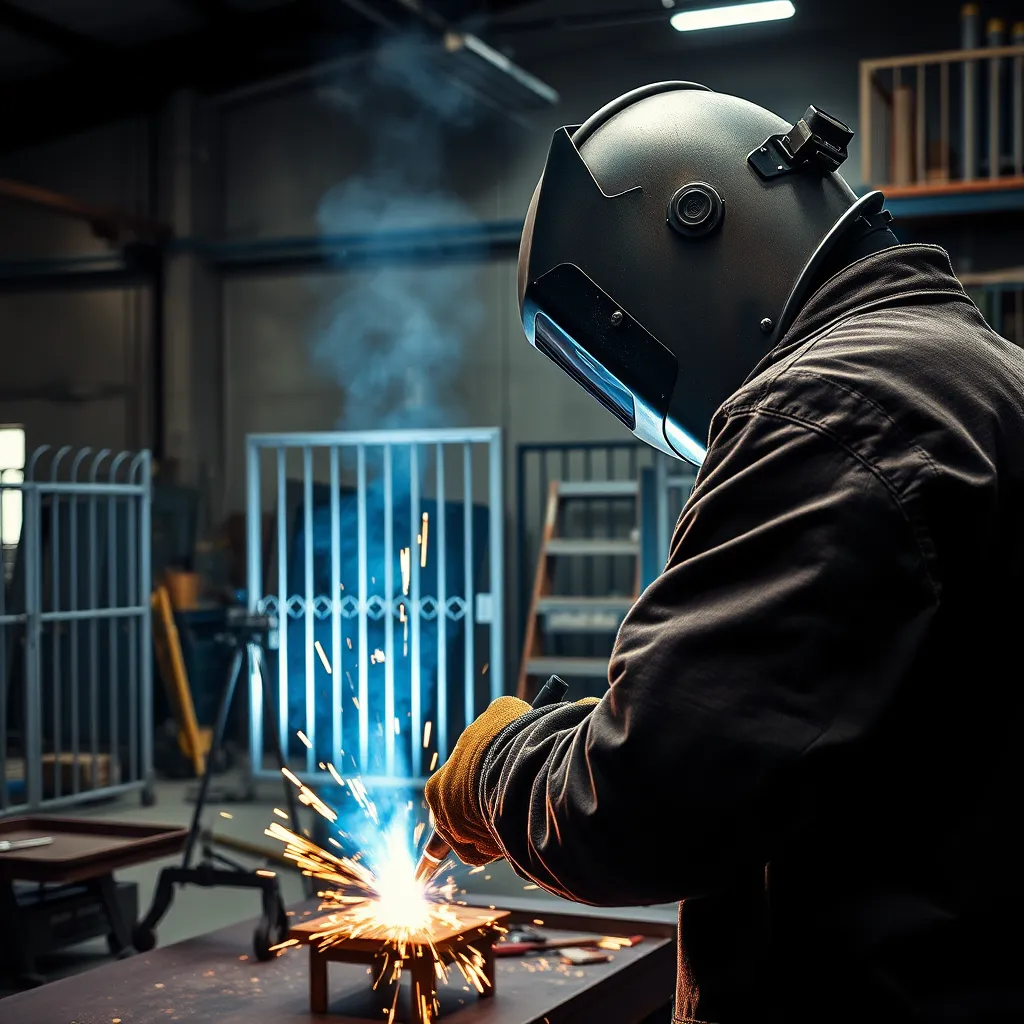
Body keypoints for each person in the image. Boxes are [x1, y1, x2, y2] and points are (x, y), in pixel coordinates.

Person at [425, 82, 1024, 1023]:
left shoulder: (832, 408)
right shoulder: (974, 373)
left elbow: (632, 808)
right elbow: (864, 716)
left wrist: (499, 765)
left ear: (691, 229)